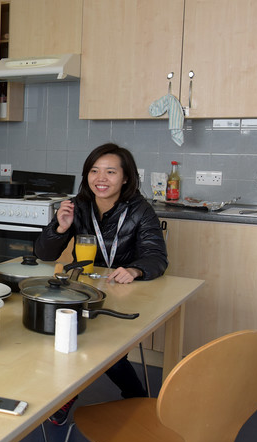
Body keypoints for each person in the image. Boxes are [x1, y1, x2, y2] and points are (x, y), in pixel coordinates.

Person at [34, 142, 168, 425]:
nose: (101, 178)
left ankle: (80, 395)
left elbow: (156, 256)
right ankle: (136, 397)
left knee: (99, 340)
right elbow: (44, 254)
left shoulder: (140, 211)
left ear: (126, 178)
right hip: (84, 289)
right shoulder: (78, 207)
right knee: (65, 327)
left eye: (110, 172)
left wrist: (135, 269)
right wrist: (59, 227)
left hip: (124, 292)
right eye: (94, 171)